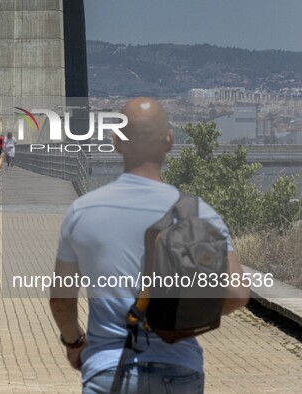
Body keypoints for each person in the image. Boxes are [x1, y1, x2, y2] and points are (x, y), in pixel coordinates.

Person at [49, 97, 249, 394]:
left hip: (107, 370)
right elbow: (236, 293)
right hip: (179, 369)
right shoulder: (198, 212)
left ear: (116, 140)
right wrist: (184, 319)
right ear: (169, 140)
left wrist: (74, 343)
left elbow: (62, 299)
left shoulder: (83, 211)